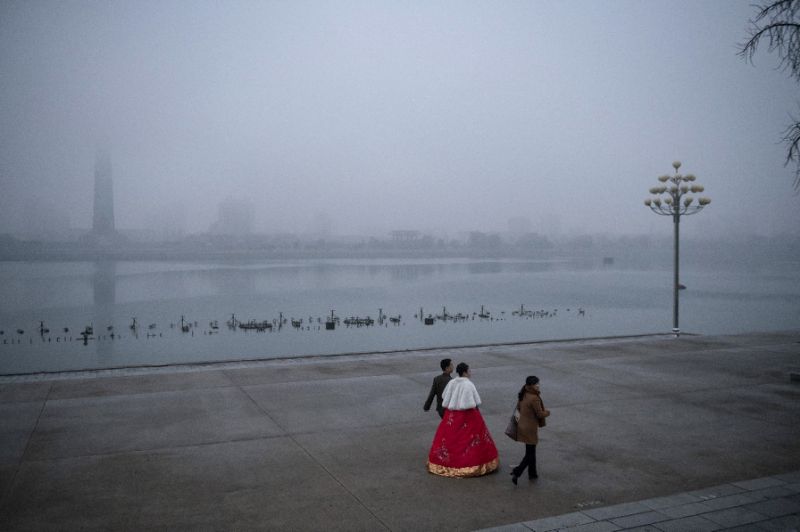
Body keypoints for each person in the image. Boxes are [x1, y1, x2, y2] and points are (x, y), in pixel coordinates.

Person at [427, 362, 499, 477]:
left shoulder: (452, 382)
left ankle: (446, 463)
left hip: (452, 415)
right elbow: (473, 402)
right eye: (469, 370)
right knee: (471, 438)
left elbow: (445, 396)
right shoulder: (468, 384)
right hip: (468, 415)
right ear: (465, 372)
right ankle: (472, 463)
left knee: (450, 437)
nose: (470, 372)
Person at [510, 375, 550, 485]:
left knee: (530, 451)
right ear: (531, 385)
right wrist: (548, 412)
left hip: (522, 426)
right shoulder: (534, 398)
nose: (538, 385)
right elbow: (540, 414)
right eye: (536, 384)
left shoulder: (524, 393)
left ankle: (532, 473)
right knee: (530, 454)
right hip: (530, 428)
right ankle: (517, 472)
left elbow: (518, 408)